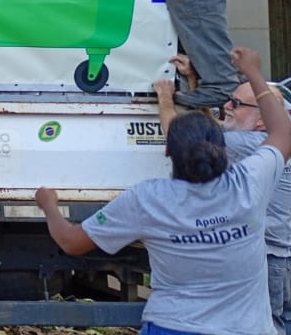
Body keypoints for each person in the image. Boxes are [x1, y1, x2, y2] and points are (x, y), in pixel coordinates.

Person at [36, 47, 290, 335]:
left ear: (168, 148)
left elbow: (70, 242)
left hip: (172, 326)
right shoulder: (249, 184)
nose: (228, 107)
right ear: (221, 148)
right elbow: (282, 133)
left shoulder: (148, 199)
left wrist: (49, 206)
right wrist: (254, 73)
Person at [163, 54, 291, 335]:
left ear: (261, 120)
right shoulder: (268, 142)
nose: (226, 106)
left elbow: (185, 140)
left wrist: (164, 96)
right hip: (280, 257)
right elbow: (216, 130)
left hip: (267, 261)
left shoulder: (250, 143)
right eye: (229, 100)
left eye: (237, 104)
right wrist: (195, 82)